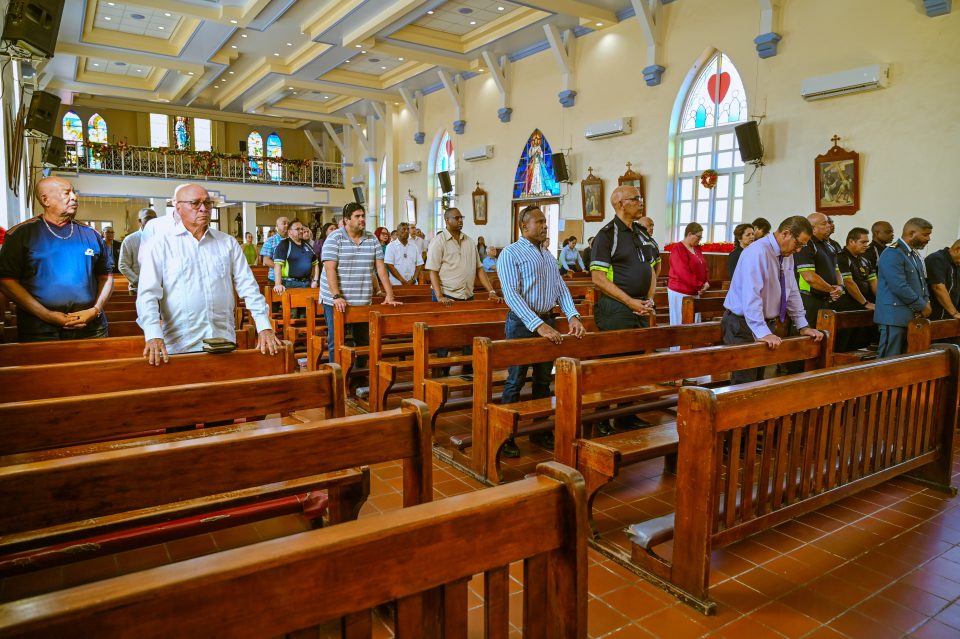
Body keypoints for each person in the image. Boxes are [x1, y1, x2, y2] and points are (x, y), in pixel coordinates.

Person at [136, 183, 281, 363]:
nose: (204, 209)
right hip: (180, 343)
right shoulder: (160, 245)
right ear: (178, 207)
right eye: (195, 203)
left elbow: (248, 287)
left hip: (224, 339)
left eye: (208, 203)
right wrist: (152, 334)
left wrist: (264, 327)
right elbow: (147, 294)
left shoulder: (227, 243)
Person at [496, 205, 586, 457]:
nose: (545, 226)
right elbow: (511, 295)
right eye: (539, 222)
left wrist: (572, 316)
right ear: (524, 227)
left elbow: (561, 289)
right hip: (522, 324)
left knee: (544, 380)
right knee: (515, 380)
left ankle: (540, 430)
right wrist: (538, 325)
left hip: (549, 320)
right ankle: (505, 436)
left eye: (545, 222)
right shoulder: (510, 254)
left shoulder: (547, 254)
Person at [0, 176, 113, 342]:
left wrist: (95, 310)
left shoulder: (92, 235)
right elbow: (6, 281)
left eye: (74, 192)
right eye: (67, 193)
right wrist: (46, 315)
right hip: (40, 330)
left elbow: (106, 277)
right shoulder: (20, 234)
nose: (74, 197)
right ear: (46, 200)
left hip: (92, 328)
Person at [722, 216, 825, 384]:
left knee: (760, 382)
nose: (799, 250)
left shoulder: (787, 254)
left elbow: (791, 291)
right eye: (798, 244)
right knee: (744, 384)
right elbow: (751, 296)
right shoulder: (757, 252)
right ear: (785, 234)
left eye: (803, 246)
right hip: (743, 324)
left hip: (764, 323)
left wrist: (802, 325)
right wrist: (763, 332)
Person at [320, 202, 399, 367]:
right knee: (336, 339)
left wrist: (390, 295)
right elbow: (330, 269)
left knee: (363, 341)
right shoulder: (335, 238)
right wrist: (337, 296)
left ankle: (359, 377)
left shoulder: (372, 239)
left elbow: (380, 269)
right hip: (335, 300)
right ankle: (337, 377)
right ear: (347, 220)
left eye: (363, 216)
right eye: (357, 216)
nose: (362, 219)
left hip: (362, 299)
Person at [589, 185, 656, 331]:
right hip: (617, 309)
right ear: (621, 204)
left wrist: (650, 299)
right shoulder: (606, 235)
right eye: (635, 199)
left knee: (642, 353)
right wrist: (630, 302)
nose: (641, 203)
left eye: (641, 198)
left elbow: (650, 269)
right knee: (618, 353)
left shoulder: (642, 232)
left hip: (642, 307)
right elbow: (598, 278)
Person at [874, 217, 933, 358]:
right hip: (893, 316)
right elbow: (899, 286)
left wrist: (926, 303)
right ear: (912, 233)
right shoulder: (892, 253)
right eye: (925, 234)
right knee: (888, 360)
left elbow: (922, 283)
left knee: (904, 363)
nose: (929, 238)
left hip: (910, 316)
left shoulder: (914, 255)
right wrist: (922, 306)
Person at [426, 208, 499, 305]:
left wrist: (491, 291)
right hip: (446, 296)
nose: (460, 220)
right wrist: (439, 296)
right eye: (456, 218)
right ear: (447, 220)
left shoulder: (469, 241)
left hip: (467, 296)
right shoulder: (438, 242)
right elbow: (433, 271)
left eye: (461, 218)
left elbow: (479, 268)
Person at [794, 213, 844, 330]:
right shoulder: (807, 244)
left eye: (828, 222)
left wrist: (840, 286)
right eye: (824, 223)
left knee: (826, 337)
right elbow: (809, 277)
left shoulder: (829, 244)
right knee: (807, 338)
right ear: (813, 228)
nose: (829, 225)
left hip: (827, 299)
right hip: (809, 299)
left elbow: (836, 270)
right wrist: (832, 290)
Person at [833, 227, 879, 351]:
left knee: (862, 342)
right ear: (851, 241)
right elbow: (848, 282)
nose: (867, 245)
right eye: (863, 242)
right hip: (848, 306)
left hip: (864, 306)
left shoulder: (865, 260)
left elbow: (874, 282)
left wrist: (880, 302)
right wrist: (865, 303)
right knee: (846, 342)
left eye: (867, 242)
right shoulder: (841, 257)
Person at [667, 222, 710, 326]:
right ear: (689, 234)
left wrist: (707, 282)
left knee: (694, 322)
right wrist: (700, 285)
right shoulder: (678, 249)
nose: (700, 239)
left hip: (695, 291)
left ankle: (693, 342)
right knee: (681, 321)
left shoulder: (696, 248)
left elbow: (704, 266)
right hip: (680, 291)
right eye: (698, 237)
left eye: (701, 237)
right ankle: (678, 343)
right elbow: (683, 272)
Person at [272, 220, 319, 306]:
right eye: (297, 229)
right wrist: (278, 284)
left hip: (307, 283)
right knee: (294, 313)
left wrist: (315, 280)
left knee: (308, 312)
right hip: (291, 284)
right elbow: (278, 266)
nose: (301, 231)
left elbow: (315, 264)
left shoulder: (307, 245)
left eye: (302, 229)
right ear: (290, 232)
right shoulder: (284, 244)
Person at [117, 207, 157, 293]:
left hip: (158, 287)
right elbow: (123, 265)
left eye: (155, 218)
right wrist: (138, 281)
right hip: (137, 288)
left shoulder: (161, 238)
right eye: (148, 218)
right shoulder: (130, 240)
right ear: (139, 221)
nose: (152, 220)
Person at [924, 239, 960, 323]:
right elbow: (938, 287)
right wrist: (954, 313)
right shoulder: (936, 259)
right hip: (934, 319)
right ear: (958, 250)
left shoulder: (957, 264)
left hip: (951, 318)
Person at [260, 216, 290, 286]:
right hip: (274, 279)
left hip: (291, 279)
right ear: (277, 226)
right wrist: (283, 268)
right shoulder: (270, 240)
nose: (287, 225)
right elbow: (266, 260)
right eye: (284, 223)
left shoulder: (293, 240)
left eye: (288, 223)